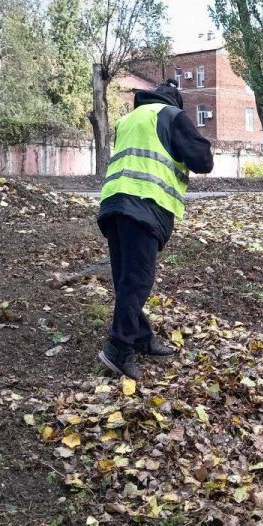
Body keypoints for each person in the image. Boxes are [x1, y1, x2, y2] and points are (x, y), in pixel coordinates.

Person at [97, 79, 214, 380]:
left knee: (126, 279)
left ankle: (140, 337)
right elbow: (202, 161)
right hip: (144, 204)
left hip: (113, 204)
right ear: (174, 102)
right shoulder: (171, 115)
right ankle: (118, 349)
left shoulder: (128, 119)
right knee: (138, 280)